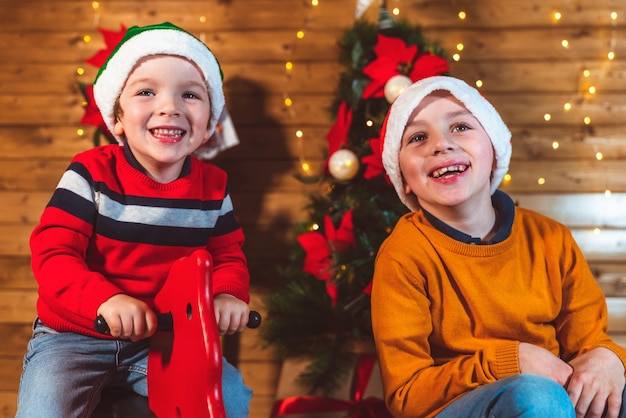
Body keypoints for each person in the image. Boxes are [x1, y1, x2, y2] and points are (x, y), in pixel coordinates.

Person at [16, 22, 252, 417]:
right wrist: (104, 299)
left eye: (190, 95)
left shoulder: (213, 186)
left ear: (210, 123)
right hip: (74, 337)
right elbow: (53, 253)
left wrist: (227, 293)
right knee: (45, 408)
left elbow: (227, 255)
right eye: (146, 92)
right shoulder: (90, 173)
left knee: (229, 397)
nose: (170, 106)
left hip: (165, 340)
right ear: (118, 117)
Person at [371, 75, 626, 418]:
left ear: (494, 151)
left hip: (555, 399)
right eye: (418, 137)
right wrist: (510, 361)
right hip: (466, 407)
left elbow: (590, 343)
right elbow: (406, 396)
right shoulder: (402, 256)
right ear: (402, 177)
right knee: (536, 397)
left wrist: (609, 359)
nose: (441, 144)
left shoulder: (551, 239)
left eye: (460, 127)